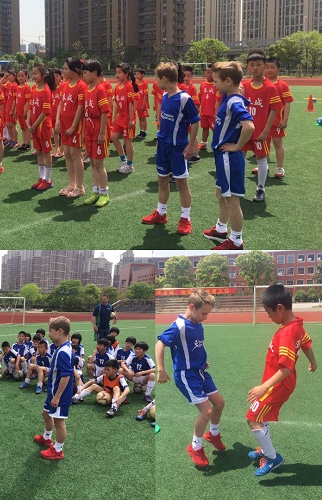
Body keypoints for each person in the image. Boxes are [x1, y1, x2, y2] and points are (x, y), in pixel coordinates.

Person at [246, 284, 317, 476]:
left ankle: (272, 457)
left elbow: (287, 367)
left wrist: (263, 387)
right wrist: (313, 362)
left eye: (269, 313)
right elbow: (306, 343)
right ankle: (264, 448)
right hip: (280, 382)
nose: (268, 317)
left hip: (278, 384)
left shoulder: (286, 332)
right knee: (261, 415)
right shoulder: (296, 325)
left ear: (280, 308)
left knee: (252, 418)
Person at [156, 290, 225, 468]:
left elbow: (195, 347)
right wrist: (161, 370)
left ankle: (213, 434)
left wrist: (202, 361)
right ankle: (195, 447)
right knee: (206, 412)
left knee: (219, 403)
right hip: (186, 375)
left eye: (208, 314)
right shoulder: (179, 325)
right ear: (191, 307)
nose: (206, 318)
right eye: (204, 313)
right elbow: (160, 344)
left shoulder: (198, 323)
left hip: (200, 372)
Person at [141, 62, 199, 236]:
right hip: (163, 147)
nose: (155, 82)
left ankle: (185, 219)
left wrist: (190, 145)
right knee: (162, 181)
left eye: (157, 78)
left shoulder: (184, 98)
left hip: (178, 149)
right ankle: (161, 213)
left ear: (164, 79)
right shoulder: (165, 96)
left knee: (181, 183)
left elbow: (195, 121)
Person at [202, 61, 254, 250]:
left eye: (216, 80)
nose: (213, 83)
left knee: (232, 200)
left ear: (228, 81)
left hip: (228, 157)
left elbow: (249, 126)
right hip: (221, 156)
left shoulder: (233, 101)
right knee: (220, 194)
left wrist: (237, 146)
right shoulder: (231, 96)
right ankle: (221, 229)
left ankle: (236, 240)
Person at [242, 50, 282, 203]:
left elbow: (274, 109)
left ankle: (260, 188)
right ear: (248, 67)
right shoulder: (244, 86)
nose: (255, 68)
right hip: (245, 131)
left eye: (259, 65)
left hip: (260, 131)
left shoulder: (270, 87)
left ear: (264, 66)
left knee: (260, 157)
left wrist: (266, 131)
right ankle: (240, 186)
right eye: (252, 65)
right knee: (240, 156)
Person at [33, 316, 74, 460]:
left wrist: (57, 396)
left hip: (59, 394)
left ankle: (58, 450)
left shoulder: (63, 351)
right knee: (45, 414)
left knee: (59, 421)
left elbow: (66, 376)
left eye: (51, 331)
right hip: (53, 392)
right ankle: (47, 437)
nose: (49, 334)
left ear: (60, 331)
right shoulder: (61, 348)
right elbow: (60, 371)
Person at [55, 57, 87, 198]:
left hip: (75, 126)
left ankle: (80, 187)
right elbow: (61, 104)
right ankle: (71, 184)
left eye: (66, 68)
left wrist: (74, 126)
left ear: (75, 70)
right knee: (67, 154)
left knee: (75, 155)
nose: (64, 71)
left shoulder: (81, 86)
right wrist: (57, 120)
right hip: (64, 125)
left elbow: (80, 107)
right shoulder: (64, 85)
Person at [81, 59, 111, 208]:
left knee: (99, 163)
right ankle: (95, 191)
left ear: (94, 73)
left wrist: (102, 133)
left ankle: (104, 193)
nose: (84, 75)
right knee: (92, 161)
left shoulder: (100, 89)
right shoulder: (87, 89)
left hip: (98, 128)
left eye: (85, 72)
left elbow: (105, 112)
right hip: (89, 129)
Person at [27, 63, 55, 191]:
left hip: (43, 126)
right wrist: (28, 122)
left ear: (43, 75)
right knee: (39, 151)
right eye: (32, 73)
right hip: (34, 125)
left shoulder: (46, 90)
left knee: (46, 151)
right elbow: (31, 107)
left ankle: (48, 179)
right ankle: (41, 177)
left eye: (36, 73)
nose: (33, 75)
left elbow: (45, 112)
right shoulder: (34, 89)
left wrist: (34, 124)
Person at [264, 57, 294, 179]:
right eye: (267, 67)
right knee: (262, 143)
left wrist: (285, 119)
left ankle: (279, 167)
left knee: (277, 143)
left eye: (272, 67)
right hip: (262, 121)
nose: (269, 70)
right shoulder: (261, 83)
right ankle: (263, 165)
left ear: (279, 69)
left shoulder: (282, 85)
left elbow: (287, 103)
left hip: (277, 121)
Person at [111, 63, 138, 174]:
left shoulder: (129, 86)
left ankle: (130, 165)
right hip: (120, 118)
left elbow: (131, 104)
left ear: (126, 74)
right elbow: (116, 103)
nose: (117, 75)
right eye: (116, 72)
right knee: (113, 137)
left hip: (128, 118)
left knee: (127, 141)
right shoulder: (117, 87)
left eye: (119, 73)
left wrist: (131, 119)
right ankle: (123, 160)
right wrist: (114, 117)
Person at [197, 64, 218, 151]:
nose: (209, 74)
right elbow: (200, 98)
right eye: (207, 72)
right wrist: (198, 108)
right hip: (204, 112)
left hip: (213, 113)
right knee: (204, 128)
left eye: (211, 73)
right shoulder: (202, 85)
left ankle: (216, 144)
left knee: (215, 130)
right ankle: (203, 144)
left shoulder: (217, 85)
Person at [15, 70, 32, 152]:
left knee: (26, 127)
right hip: (19, 112)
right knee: (22, 128)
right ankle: (24, 143)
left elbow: (28, 101)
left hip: (24, 112)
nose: (20, 77)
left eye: (22, 76)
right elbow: (17, 100)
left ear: (26, 76)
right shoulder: (18, 87)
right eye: (19, 76)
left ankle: (28, 144)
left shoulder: (27, 87)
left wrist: (25, 112)